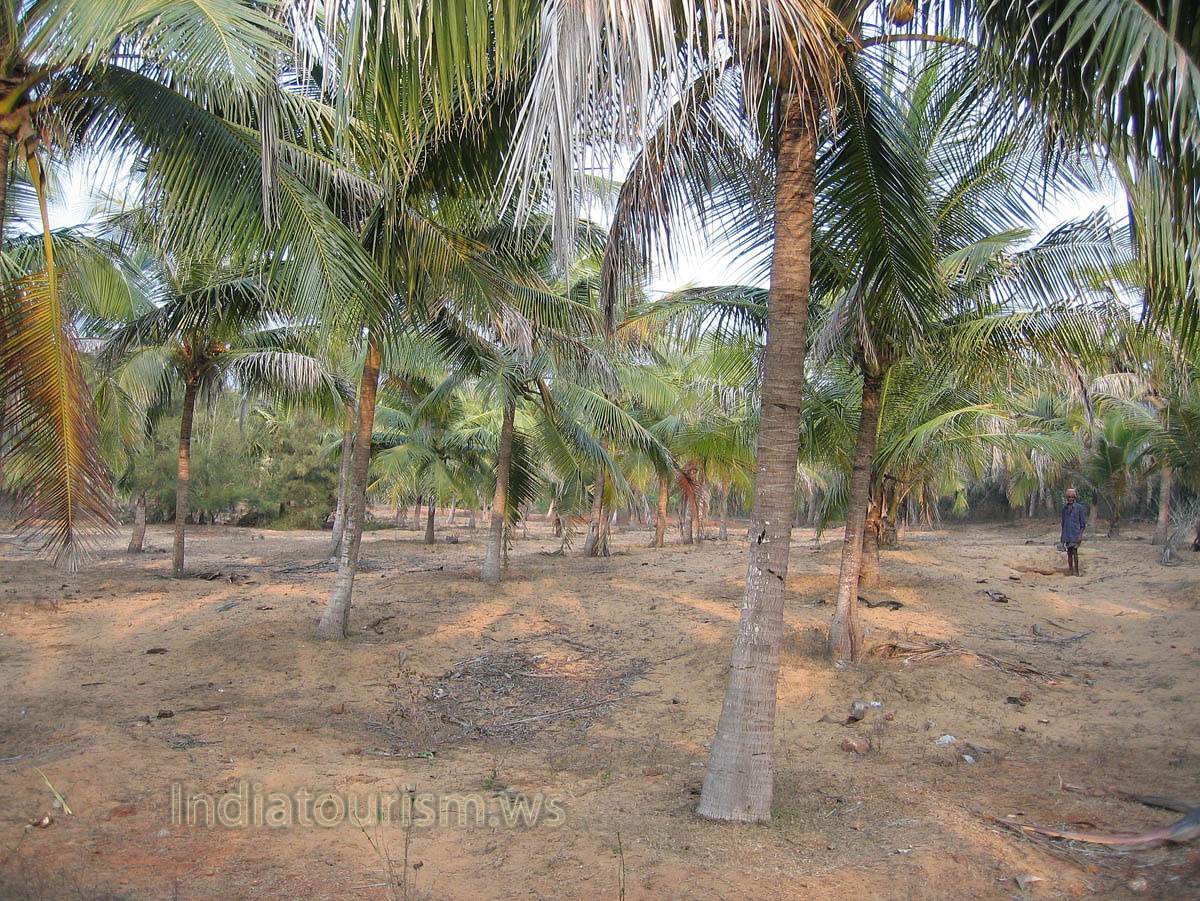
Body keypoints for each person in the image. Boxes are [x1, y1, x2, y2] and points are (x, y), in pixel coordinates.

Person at [1060, 488, 1087, 576]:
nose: (1070, 499)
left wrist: (1080, 536)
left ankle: (1077, 571)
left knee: (1075, 552)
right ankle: (1070, 570)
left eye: (1071, 497)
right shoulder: (1064, 508)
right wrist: (1062, 537)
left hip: (1076, 533)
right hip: (1067, 533)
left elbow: (1082, 524)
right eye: (1068, 497)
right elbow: (1063, 523)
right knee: (1069, 552)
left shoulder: (1079, 508)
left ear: (1074, 498)